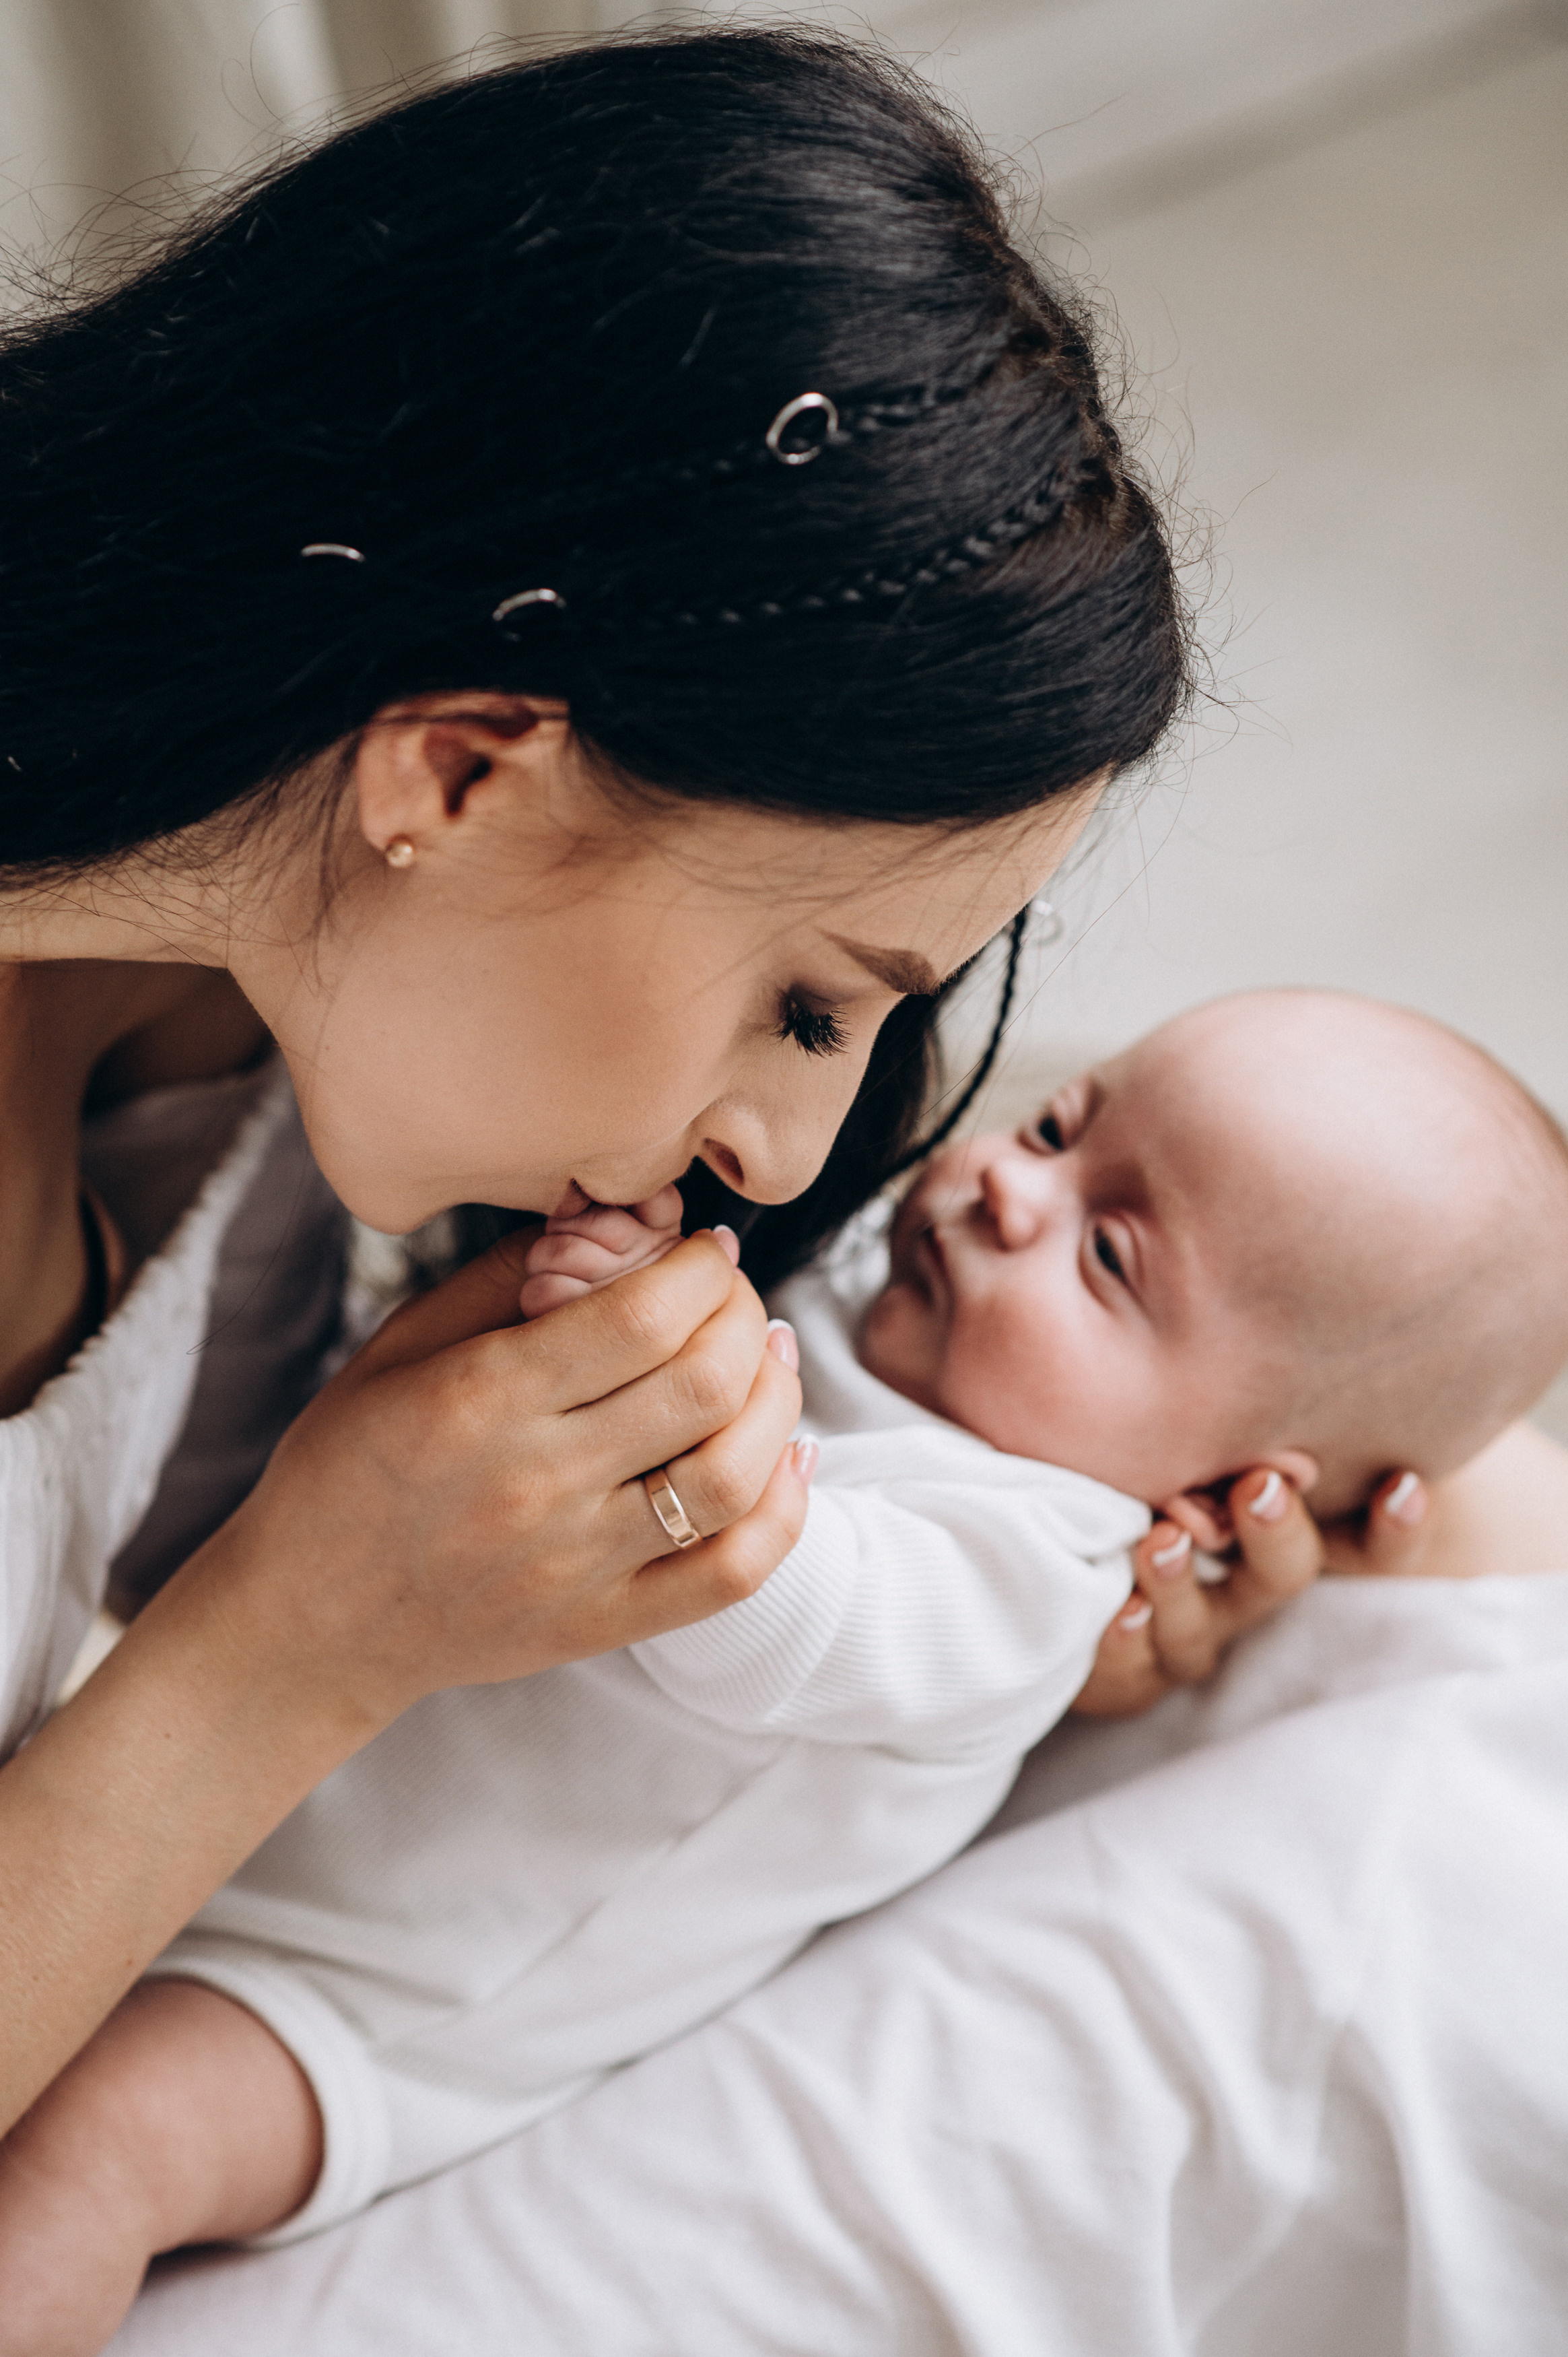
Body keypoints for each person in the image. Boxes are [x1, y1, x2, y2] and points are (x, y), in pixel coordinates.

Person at [8, 987, 1565, 2349]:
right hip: (234, 1825)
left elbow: (786, 1617)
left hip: (360, 2010)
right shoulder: (871, 1317)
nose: (1003, 1190)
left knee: (83, 2160)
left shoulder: (1035, 1567)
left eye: (1106, 1254)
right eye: (1059, 1127)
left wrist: (653, 1385)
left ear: (1233, 1487)